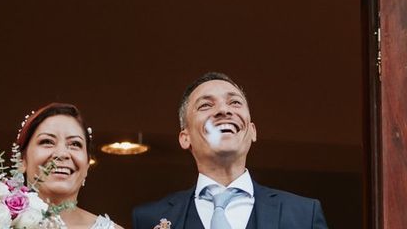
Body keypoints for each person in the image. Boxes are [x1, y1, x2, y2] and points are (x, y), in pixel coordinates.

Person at [132, 72, 328, 229]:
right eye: (206, 105)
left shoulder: (302, 214)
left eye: (234, 102)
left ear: (252, 131)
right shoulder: (150, 218)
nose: (223, 111)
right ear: (185, 138)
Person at [17, 102, 124, 229]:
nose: (62, 154)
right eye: (47, 141)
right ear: (21, 160)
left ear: (87, 165)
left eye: (75, 144)